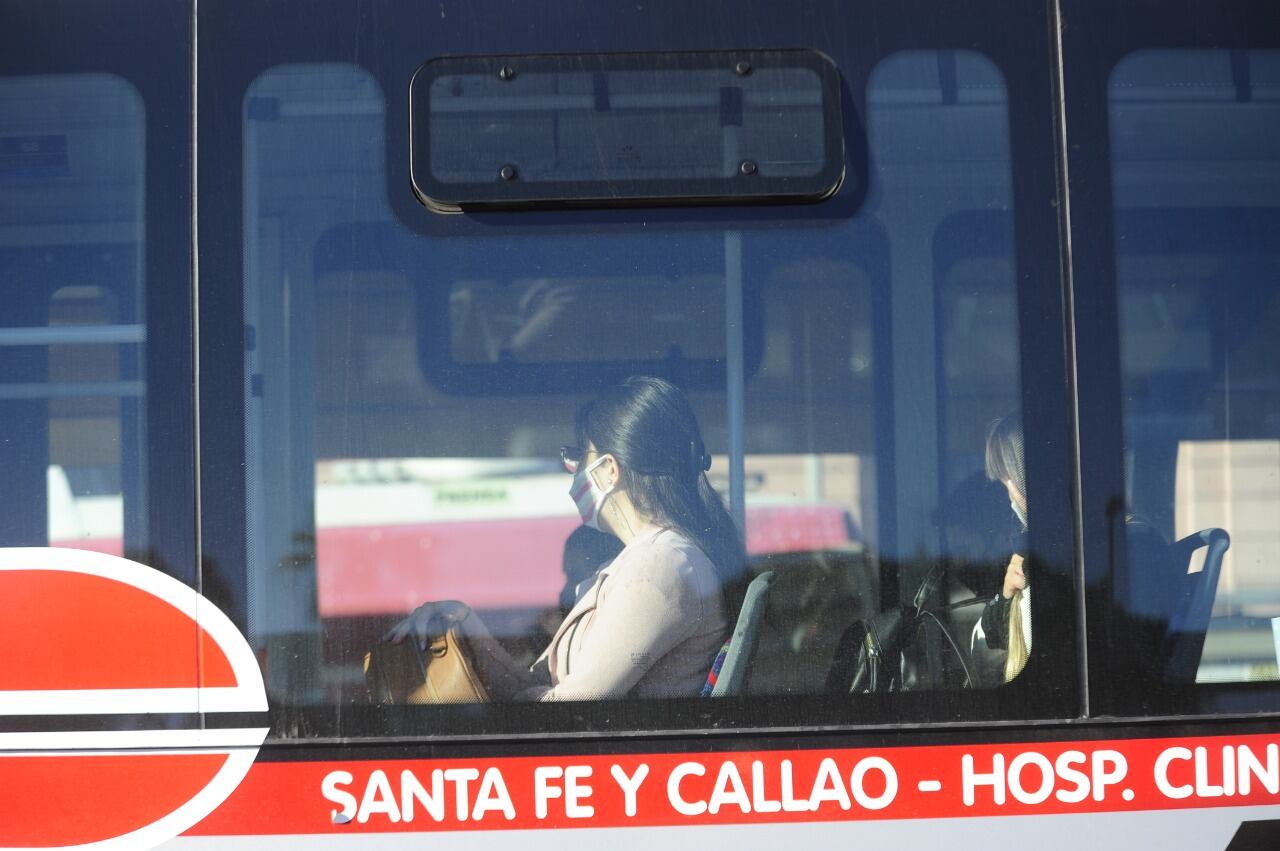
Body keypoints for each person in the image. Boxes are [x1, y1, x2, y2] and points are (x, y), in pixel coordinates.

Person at [387, 375, 745, 701]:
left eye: (578, 455)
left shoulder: (660, 567)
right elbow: (540, 686)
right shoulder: (648, 561)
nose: (572, 472)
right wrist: (465, 626)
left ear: (608, 470)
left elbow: (570, 711)